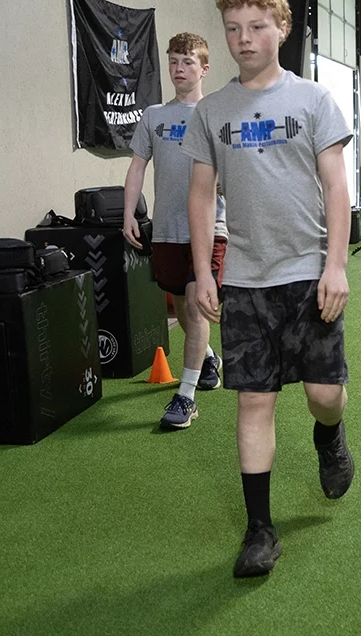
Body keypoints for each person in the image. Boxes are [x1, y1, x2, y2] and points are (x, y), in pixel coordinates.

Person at [181, 0, 354, 578]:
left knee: (322, 395)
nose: (243, 38)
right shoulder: (212, 110)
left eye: (256, 26)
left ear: (281, 28)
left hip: (308, 273)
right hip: (245, 279)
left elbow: (337, 186)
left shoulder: (312, 101)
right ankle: (260, 530)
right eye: (232, 28)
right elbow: (201, 196)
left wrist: (336, 264)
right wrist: (204, 271)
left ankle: (329, 438)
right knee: (254, 401)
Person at [123, 32, 228, 430]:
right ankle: (208, 359)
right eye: (173, 62)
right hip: (167, 229)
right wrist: (128, 213)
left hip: (210, 229)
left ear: (203, 68)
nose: (179, 69)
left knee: (195, 299)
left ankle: (185, 396)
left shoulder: (215, 114)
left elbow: (238, 164)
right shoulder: (153, 116)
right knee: (183, 309)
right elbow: (137, 166)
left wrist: (228, 182)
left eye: (187, 62)